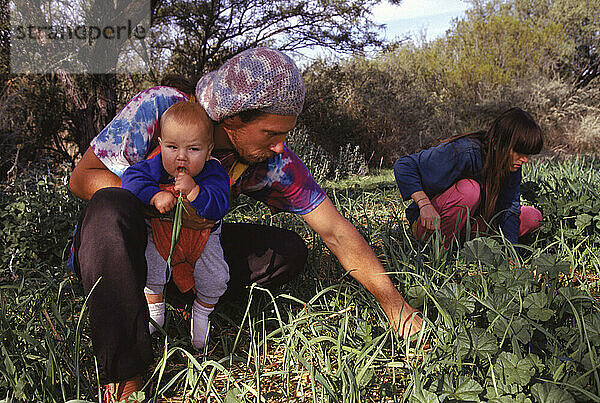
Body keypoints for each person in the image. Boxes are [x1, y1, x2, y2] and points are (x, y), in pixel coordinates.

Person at [69, 47, 422, 402]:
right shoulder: (161, 109)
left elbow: (335, 230)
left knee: (287, 251)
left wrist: (395, 307)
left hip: (189, 250)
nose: (281, 146)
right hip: (127, 250)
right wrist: (158, 204)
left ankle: (191, 298)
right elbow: (83, 178)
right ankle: (125, 377)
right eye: (270, 132)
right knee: (108, 207)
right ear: (232, 119)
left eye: (285, 134)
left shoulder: (272, 162)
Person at [121, 101, 230, 349]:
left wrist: (195, 192)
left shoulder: (213, 172)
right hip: (162, 232)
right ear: (160, 145)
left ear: (208, 150)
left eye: (193, 149)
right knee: (150, 267)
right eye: (172, 147)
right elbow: (130, 178)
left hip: (203, 238)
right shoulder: (154, 166)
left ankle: (202, 314)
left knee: (215, 277)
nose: (181, 156)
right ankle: (155, 309)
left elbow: (220, 203)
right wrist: (154, 195)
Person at [394, 107, 543, 250]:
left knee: (532, 216)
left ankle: (474, 249)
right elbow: (404, 165)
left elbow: (510, 209)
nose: (525, 160)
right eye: (519, 152)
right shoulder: (463, 151)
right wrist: (424, 205)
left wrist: (511, 253)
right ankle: (439, 251)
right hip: (432, 224)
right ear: (497, 143)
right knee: (469, 190)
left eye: (527, 154)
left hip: (471, 225)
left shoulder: (511, 165)